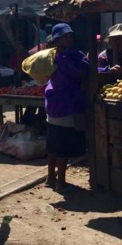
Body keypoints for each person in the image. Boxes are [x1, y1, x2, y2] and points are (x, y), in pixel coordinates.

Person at [44, 23, 89, 193]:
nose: (69, 38)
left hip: (54, 104)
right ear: (57, 39)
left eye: (70, 35)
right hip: (65, 105)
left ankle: (50, 178)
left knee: (53, 144)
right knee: (62, 146)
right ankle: (60, 182)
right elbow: (80, 73)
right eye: (66, 36)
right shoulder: (65, 57)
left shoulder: (51, 55)